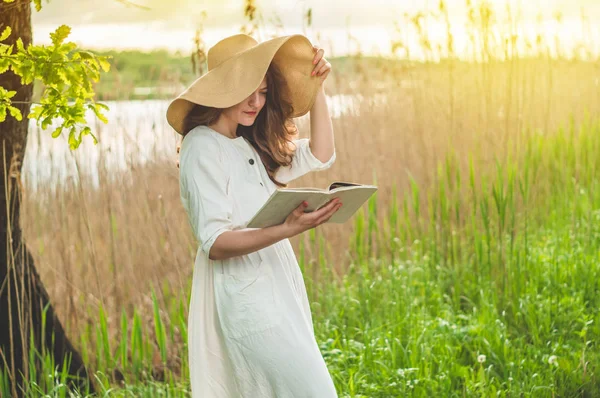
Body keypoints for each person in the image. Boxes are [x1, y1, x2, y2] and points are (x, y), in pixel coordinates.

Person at [166, 33, 342, 397]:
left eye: (263, 92)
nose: (257, 102)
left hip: (278, 292)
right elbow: (214, 242)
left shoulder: (249, 142)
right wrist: (286, 227)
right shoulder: (202, 145)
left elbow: (322, 153)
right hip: (248, 303)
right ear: (221, 90)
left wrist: (317, 88)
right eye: (248, 91)